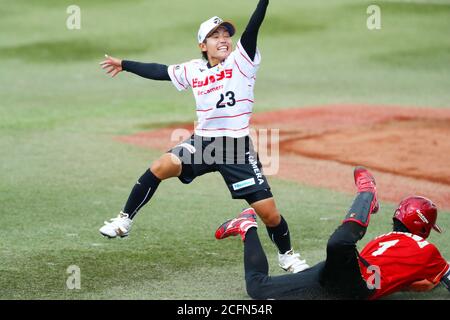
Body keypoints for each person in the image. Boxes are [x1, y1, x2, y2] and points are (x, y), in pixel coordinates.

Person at [98, 0, 309, 273]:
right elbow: (160, 71)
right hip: (204, 142)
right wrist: (124, 64)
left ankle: (287, 256)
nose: (223, 39)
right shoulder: (193, 70)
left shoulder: (242, 61)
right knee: (161, 165)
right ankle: (124, 220)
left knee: (269, 213)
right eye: (215, 35)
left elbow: (252, 29)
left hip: (235, 148)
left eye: (225, 35)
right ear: (202, 45)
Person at [216, 166, 450, 299]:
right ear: (423, 226)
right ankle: (367, 192)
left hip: (333, 280)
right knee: (339, 244)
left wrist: (409, 282)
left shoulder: (382, 240)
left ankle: (247, 226)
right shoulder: (428, 251)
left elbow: (396, 278)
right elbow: (436, 280)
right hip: (352, 285)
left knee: (257, 289)